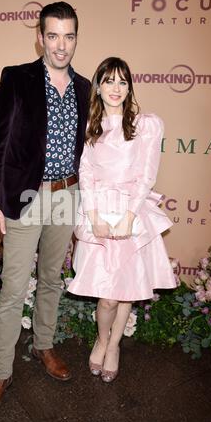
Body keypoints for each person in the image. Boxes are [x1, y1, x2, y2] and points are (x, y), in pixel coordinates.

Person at [0, 2, 90, 418]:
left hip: (67, 194)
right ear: (40, 37)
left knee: (52, 280)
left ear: (77, 38)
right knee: (12, 290)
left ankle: (43, 345)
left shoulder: (85, 87)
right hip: (24, 197)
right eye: (53, 35)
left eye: (69, 36)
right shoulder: (16, 78)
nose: (61, 45)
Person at [68, 57, 176, 383]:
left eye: (122, 82)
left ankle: (114, 345)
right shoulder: (87, 125)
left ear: (129, 87)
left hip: (132, 211)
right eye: (109, 81)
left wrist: (129, 217)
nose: (116, 88)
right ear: (98, 87)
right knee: (107, 295)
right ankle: (102, 338)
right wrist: (94, 215)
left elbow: (147, 174)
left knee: (125, 291)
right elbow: (85, 173)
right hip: (99, 212)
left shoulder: (145, 125)